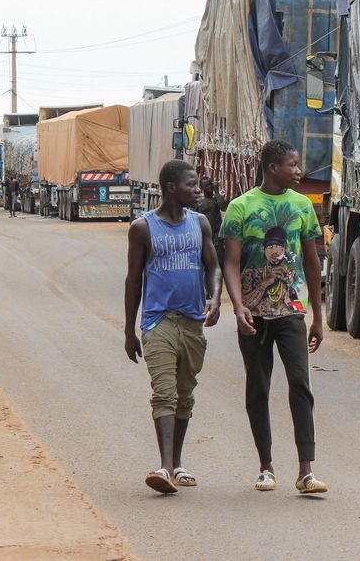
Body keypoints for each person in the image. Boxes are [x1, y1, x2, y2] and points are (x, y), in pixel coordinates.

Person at [219, 140, 326, 495]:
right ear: (273, 168)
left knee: (300, 384)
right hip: (253, 315)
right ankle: (265, 466)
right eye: (293, 164)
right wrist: (238, 307)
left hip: (291, 313)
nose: (299, 171)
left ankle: (306, 470)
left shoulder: (302, 207)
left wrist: (317, 317)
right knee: (258, 388)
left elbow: (312, 262)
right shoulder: (240, 207)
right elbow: (231, 263)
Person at [124, 159, 221, 495]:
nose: (198, 190)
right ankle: (164, 467)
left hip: (193, 323)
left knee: (184, 395)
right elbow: (133, 280)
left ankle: (177, 464)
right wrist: (128, 331)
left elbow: (214, 267)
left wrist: (216, 298)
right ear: (171, 189)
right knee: (164, 391)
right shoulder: (142, 228)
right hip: (158, 321)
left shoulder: (201, 223)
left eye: (197, 185)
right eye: (191, 185)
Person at [196, 175, 228, 266]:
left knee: (219, 265)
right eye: (207, 186)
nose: (210, 188)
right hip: (204, 240)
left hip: (217, 241)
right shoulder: (199, 202)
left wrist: (217, 190)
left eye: (210, 185)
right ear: (202, 188)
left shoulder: (216, 200)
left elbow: (222, 206)